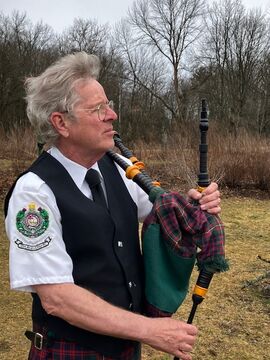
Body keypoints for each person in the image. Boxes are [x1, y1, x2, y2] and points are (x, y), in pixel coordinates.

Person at [4, 52, 221, 360]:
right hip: (71, 352)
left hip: (124, 349)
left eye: (109, 105)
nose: (112, 116)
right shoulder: (34, 193)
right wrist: (149, 330)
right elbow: (57, 298)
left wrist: (194, 204)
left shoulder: (116, 167)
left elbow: (163, 214)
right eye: (99, 108)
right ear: (61, 123)